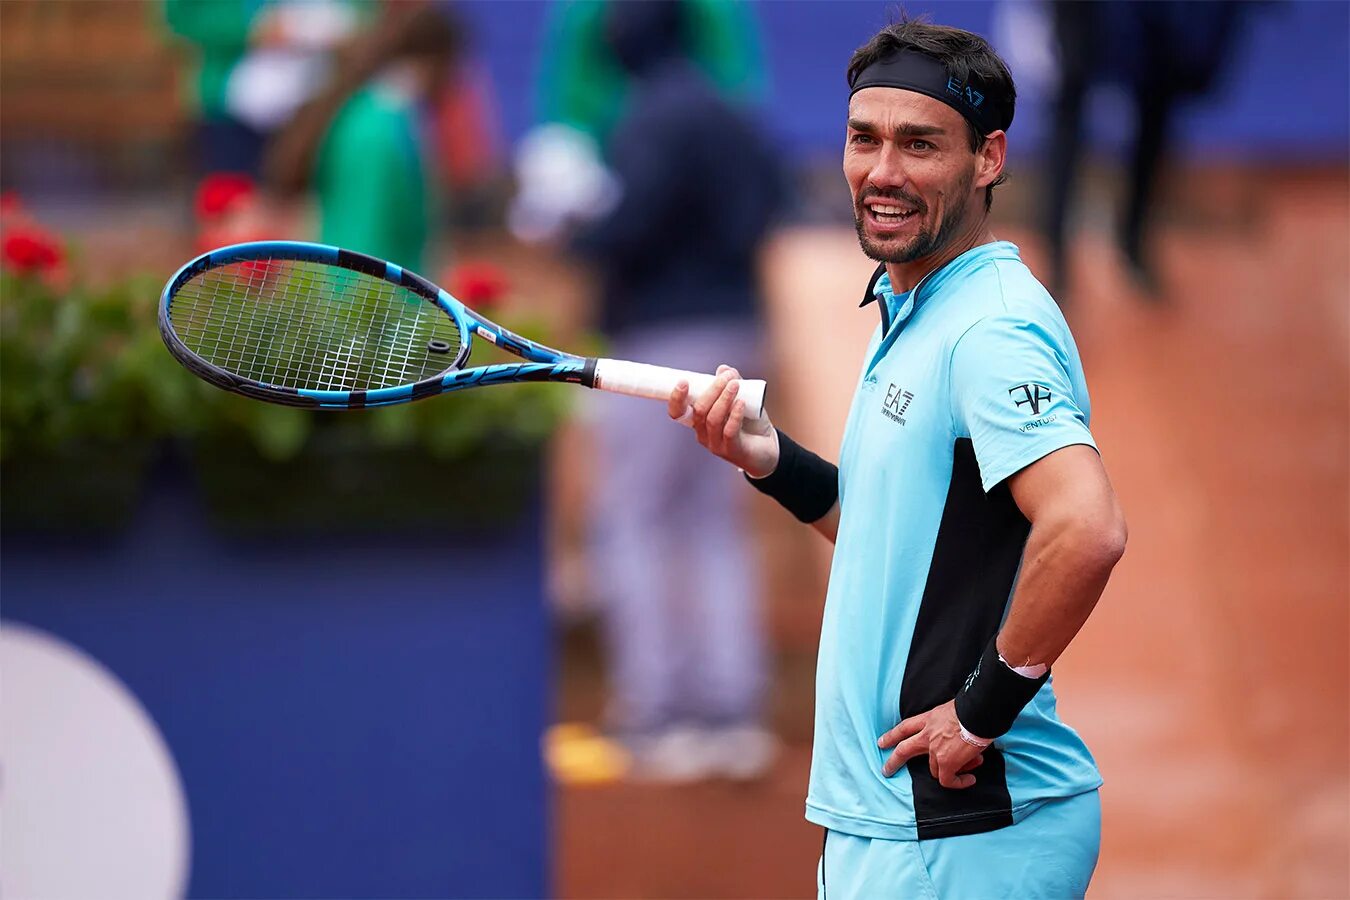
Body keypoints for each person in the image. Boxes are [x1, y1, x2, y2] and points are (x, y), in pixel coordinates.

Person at [670, 18, 1127, 898]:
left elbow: (1087, 528)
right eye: (863, 139)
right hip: (895, 823)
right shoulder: (919, 307)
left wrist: (979, 712)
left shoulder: (991, 329)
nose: (883, 173)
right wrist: (771, 461)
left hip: (964, 824)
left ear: (988, 159)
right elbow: (902, 546)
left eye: (920, 145)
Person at [573, 1, 781, 782]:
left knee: (634, 518)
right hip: (737, 332)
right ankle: (731, 713)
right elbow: (767, 207)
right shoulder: (732, 112)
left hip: (659, 343)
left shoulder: (647, 119)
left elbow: (628, 229)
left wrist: (571, 229)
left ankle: (661, 713)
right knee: (711, 520)